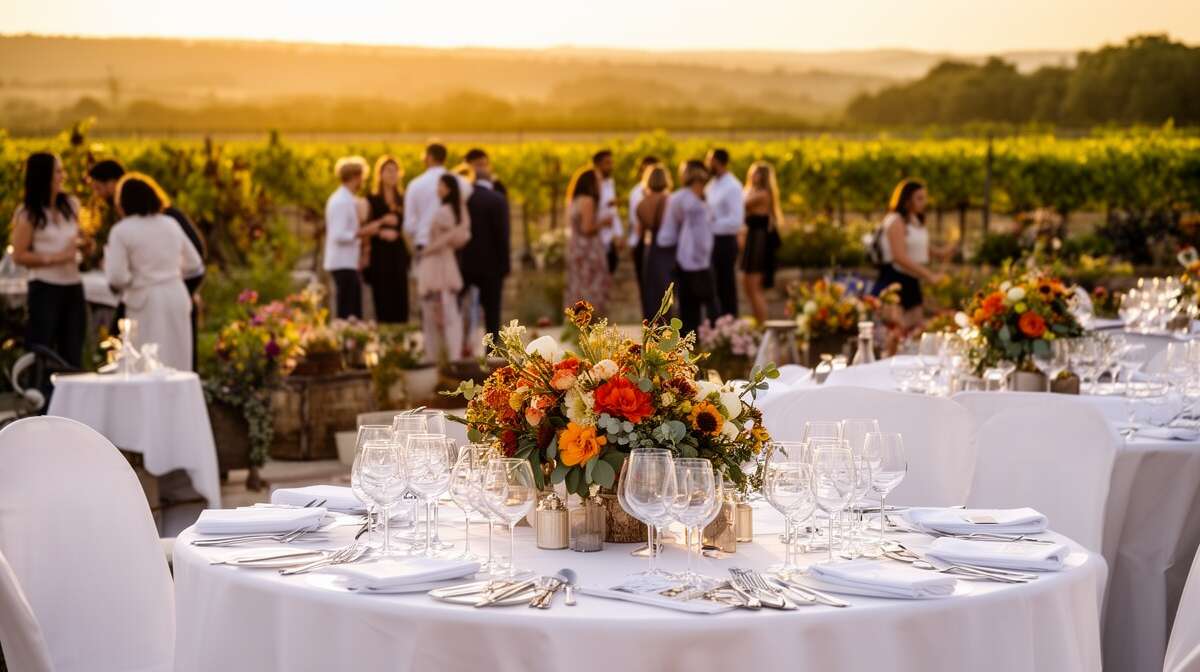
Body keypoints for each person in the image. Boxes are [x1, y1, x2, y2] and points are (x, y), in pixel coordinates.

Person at [88, 159, 207, 369]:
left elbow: (116, 277)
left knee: (145, 360)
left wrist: (137, 278)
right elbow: (195, 264)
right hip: (176, 297)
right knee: (178, 359)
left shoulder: (122, 230)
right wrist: (171, 275)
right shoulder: (170, 224)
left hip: (144, 300)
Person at [10, 152, 88, 367]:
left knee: (73, 349)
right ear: (44, 175)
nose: (63, 175)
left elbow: (80, 237)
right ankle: (41, 397)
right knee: (42, 350)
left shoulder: (71, 205)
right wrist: (58, 258)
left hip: (73, 286)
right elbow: (19, 255)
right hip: (45, 288)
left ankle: (72, 397)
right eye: (58, 171)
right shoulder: (27, 213)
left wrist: (87, 245)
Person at [872, 178, 943, 331]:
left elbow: (921, 247)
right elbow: (899, 257)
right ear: (906, 199)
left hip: (911, 281)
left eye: (924, 198)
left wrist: (943, 252)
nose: (924, 202)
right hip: (894, 281)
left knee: (914, 332)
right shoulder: (895, 220)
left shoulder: (914, 220)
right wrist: (929, 275)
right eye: (919, 198)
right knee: (895, 333)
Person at [414, 174, 471, 363]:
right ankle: (447, 357)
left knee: (439, 314)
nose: (438, 188)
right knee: (446, 313)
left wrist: (428, 250)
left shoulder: (444, 213)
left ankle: (439, 358)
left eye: (441, 185)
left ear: (448, 188)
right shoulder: (452, 211)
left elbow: (454, 236)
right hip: (443, 263)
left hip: (437, 265)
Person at [660, 161, 718, 336]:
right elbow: (676, 227)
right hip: (691, 259)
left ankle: (702, 337)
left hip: (696, 256)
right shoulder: (687, 202)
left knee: (699, 301)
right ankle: (698, 337)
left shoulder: (698, 197)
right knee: (696, 301)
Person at [458, 152, 511, 342]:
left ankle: (458, 350)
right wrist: (505, 265)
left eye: (484, 164)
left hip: (464, 262)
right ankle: (491, 357)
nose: (482, 169)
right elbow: (502, 234)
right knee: (492, 314)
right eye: (478, 165)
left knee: (457, 309)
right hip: (490, 264)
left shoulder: (459, 196)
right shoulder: (496, 198)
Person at [324, 156, 381, 319]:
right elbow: (338, 234)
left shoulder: (347, 199)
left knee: (353, 309)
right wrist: (364, 231)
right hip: (343, 263)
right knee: (347, 310)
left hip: (348, 262)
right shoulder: (341, 202)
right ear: (356, 177)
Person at [364, 155, 410, 323]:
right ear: (380, 174)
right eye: (388, 170)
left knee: (400, 294)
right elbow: (364, 228)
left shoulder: (403, 199)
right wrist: (381, 227)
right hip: (379, 252)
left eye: (395, 170)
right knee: (382, 295)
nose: (392, 174)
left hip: (398, 251)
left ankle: (400, 337)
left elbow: (410, 225)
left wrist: (399, 232)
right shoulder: (371, 199)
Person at [404, 143, 472, 255]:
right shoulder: (463, 183)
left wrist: (422, 233)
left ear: (429, 157)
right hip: (452, 246)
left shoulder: (415, 184)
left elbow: (409, 224)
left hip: (424, 244)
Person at [564, 167, 611, 315]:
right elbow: (587, 228)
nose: (600, 183)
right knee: (591, 289)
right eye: (597, 180)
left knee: (578, 286)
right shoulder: (588, 200)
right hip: (588, 250)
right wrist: (604, 222)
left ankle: (577, 322)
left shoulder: (574, 200)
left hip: (576, 248)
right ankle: (592, 322)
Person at [741, 161, 784, 323]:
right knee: (747, 284)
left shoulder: (763, 194)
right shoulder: (757, 192)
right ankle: (758, 321)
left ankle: (763, 324)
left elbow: (743, 203)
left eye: (757, 173)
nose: (753, 175)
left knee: (754, 285)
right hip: (753, 240)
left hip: (759, 242)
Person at [705, 148, 743, 318]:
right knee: (713, 288)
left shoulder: (733, 186)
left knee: (726, 288)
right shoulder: (711, 184)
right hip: (711, 242)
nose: (707, 164)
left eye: (709, 160)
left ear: (718, 161)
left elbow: (736, 220)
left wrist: (710, 225)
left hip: (724, 242)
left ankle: (729, 325)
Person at [634, 163, 672, 320]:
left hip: (649, 248)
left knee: (650, 289)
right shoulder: (669, 201)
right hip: (666, 247)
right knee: (666, 289)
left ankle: (651, 327)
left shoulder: (641, 204)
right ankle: (668, 325)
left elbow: (639, 231)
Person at [626, 155, 659, 309]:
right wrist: (634, 243)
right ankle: (648, 321)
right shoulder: (636, 192)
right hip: (641, 241)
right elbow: (634, 220)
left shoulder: (665, 194)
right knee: (644, 284)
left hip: (657, 241)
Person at [592, 150, 620, 274]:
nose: (611, 166)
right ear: (597, 165)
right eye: (607, 163)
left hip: (608, 240)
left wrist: (618, 234)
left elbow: (612, 211)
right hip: (594, 242)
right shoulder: (591, 185)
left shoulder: (610, 183)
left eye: (611, 163)